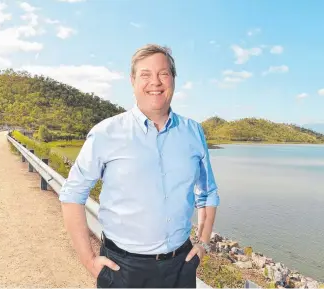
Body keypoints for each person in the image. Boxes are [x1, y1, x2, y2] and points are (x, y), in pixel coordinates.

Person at [58, 43, 220, 288]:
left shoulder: (193, 132)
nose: (155, 82)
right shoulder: (106, 133)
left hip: (181, 266)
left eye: (163, 73)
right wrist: (89, 260)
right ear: (132, 81)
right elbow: (72, 194)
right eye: (145, 74)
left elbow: (207, 193)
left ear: (173, 79)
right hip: (123, 270)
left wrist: (203, 243)